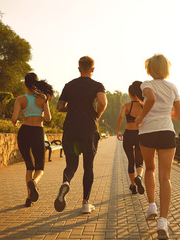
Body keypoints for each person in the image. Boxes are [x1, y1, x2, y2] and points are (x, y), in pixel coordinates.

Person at [135, 54, 180, 239]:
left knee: (149, 169)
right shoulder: (173, 87)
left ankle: (151, 205)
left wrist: (140, 117)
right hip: (166, 132)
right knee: (165, 177)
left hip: (147, 131)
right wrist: (165, 113)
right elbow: (178, 115)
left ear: (150, 69)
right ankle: (163, 220)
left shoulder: (146, 84)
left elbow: (151, 99)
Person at [54, 56, 107, 214]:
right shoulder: (97, 85)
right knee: (88, 166)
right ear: (92, 69)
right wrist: (96, 115)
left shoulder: (69, 85)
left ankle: (66, 181)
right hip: (88, 129)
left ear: (78, 68)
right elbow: (103, 102)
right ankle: (85, 203)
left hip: (71, 129)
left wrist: (70, 108)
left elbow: (59, 106)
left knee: (71, 164)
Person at [11, 72, 53, 207]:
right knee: (40, 168)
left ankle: (29, 198)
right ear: (36, 83)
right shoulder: (43, 98)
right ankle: (34, 182)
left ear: (25, 83)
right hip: (37, 132)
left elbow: (13, 119)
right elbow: (48, 118)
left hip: (24, 132)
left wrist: (16, 123)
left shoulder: (20, 99)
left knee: (29, 167)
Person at [116, 81, 145, 195]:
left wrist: (118, 131)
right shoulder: (143, 105)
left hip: (128, 134)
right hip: (139, 134)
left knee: (130, 161)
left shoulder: (126, 106)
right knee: (139, 161)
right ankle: (139, 176)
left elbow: (120, 117)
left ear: (129, 93)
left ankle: (133, 185)